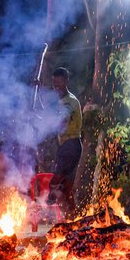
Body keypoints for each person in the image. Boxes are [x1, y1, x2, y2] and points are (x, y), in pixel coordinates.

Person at [47, 67, 83, 216]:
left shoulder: (70, 102)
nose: (56, 86)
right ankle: (73, 220)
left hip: (70, 145)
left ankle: (50, 198)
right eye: (54, 83)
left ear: (66, 81)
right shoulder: (61, 101)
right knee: (66, 188)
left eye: (59, 82)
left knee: (55, 183)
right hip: (67, 146)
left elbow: (62, 121)